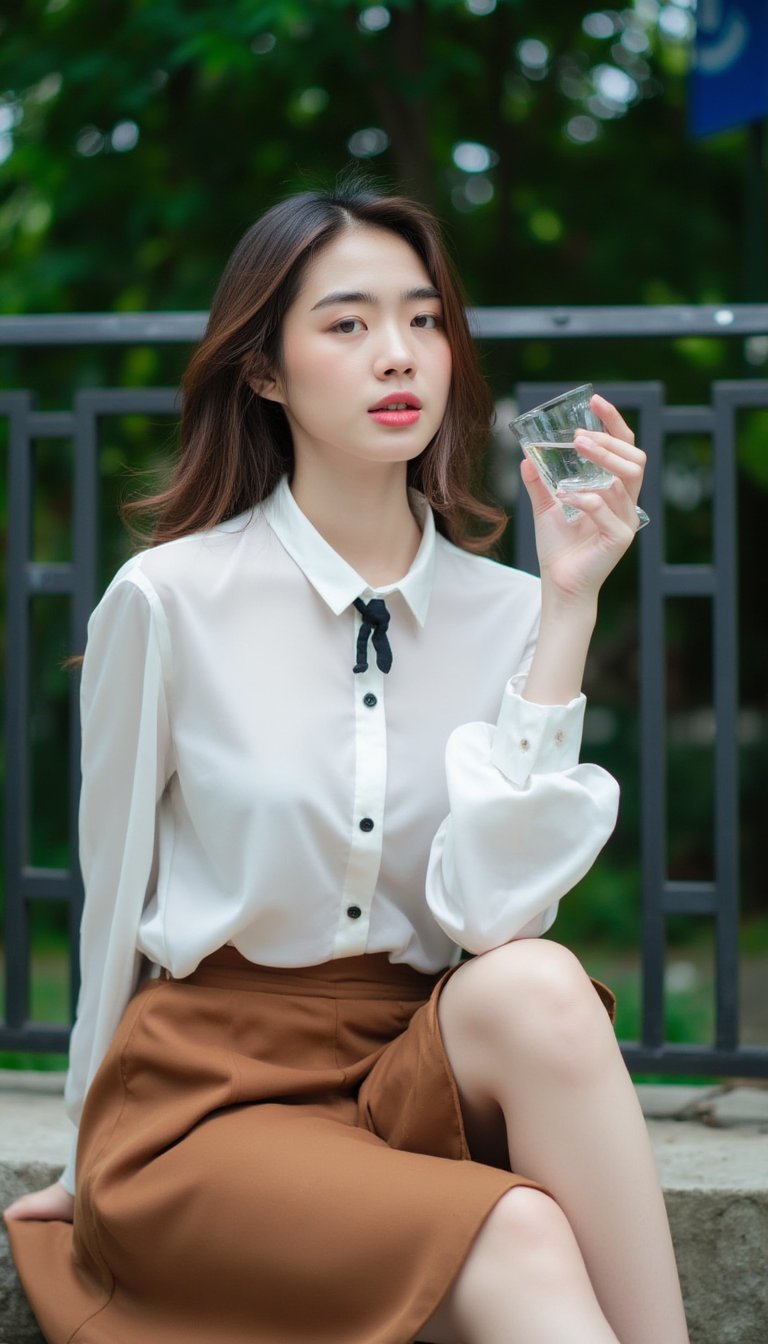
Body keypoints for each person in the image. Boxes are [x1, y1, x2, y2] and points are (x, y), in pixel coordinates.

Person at [4, 180, 689, 1344]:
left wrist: (567, 609)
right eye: (348, 323)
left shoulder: (512, 610)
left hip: (409, 1070)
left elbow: (497, 919)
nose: (399, 356)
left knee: (538, 983)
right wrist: (83, 1149)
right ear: (263, 370)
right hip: (207, 1097)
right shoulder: (169, 600)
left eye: (424, 321)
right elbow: (110, 897)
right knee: (522, 1228)